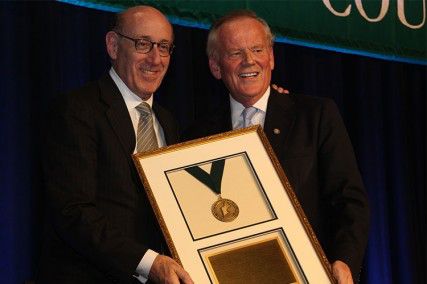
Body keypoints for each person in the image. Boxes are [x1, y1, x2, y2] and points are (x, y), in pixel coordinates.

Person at [184, 10, 370, 284]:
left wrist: (345, 261)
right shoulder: (197, 135)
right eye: (235, 53)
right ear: (215, 66)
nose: (249, 60)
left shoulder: (316, 116)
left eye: (257, 49)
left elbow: (349, 200)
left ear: (271, 56)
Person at [36, 6, 193, 284]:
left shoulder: (169, 122)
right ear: (113, 45)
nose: (155, 59)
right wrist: (148, 262)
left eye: (164, 47)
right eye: (143, 44)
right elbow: (74, 211)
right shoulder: (77, 110)